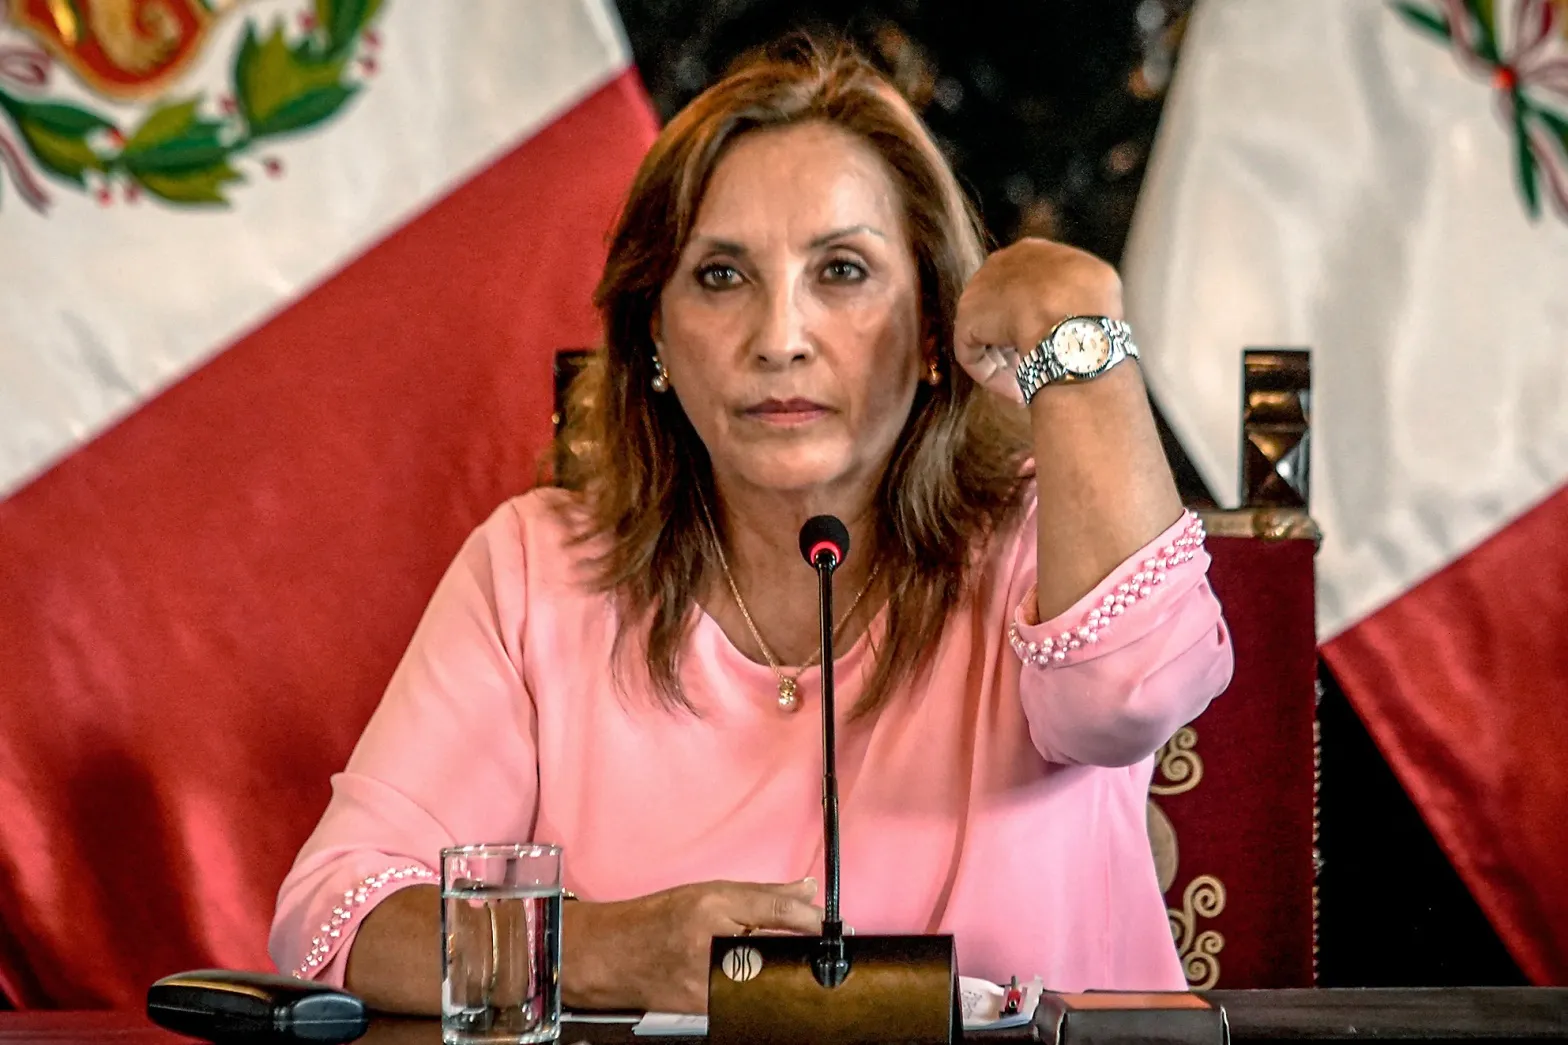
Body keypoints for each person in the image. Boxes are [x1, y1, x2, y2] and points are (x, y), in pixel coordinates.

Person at [269, 38, 1233, 1016]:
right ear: (653, 333)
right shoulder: (537, 567)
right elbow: (332, 914)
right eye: (721, 277)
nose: (779, 337)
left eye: (843, 271)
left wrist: (1079, 333)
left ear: (935, 327)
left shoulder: (1041, 539)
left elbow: (1129, 695)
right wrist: (607, 947)